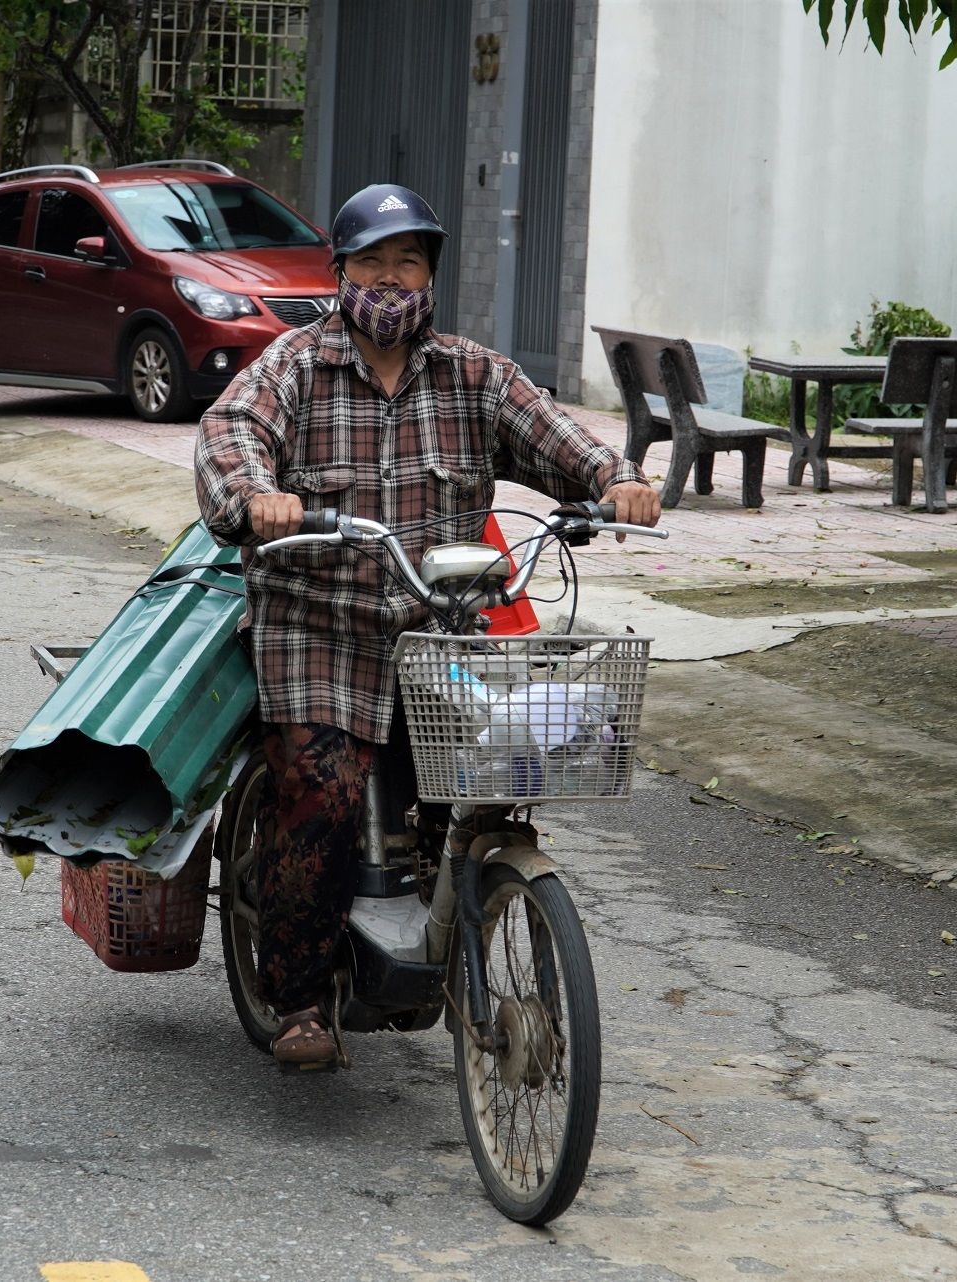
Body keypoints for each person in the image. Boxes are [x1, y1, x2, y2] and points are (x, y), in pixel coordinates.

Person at [193, 183, 660, 1067]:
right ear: (341, 272)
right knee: (323, 794)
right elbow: (231, 434)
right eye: (372, 261)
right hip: (319, 626)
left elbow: (558, 437)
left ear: (431, 276)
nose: (390, 278)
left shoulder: (474, 375)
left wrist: (613, 478)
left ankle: (454, 933)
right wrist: (256, 497)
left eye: (408, 261)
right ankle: (297, 996)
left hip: (438, 628)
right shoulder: (294, 367)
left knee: (487, 777)